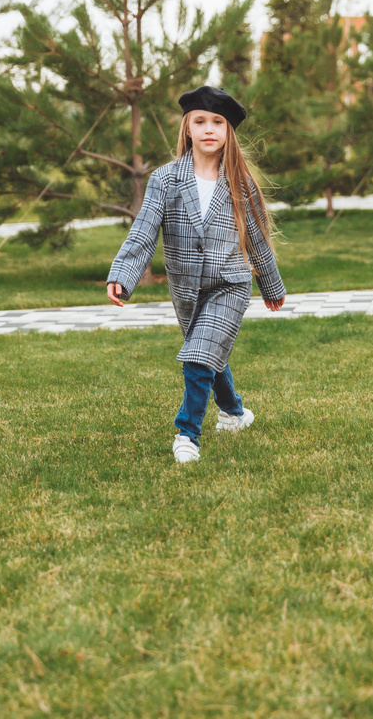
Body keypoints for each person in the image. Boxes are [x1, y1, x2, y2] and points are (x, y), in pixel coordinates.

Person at [106, 85, 286, 464]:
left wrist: (270, 284)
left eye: (217, 122)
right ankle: (235, 413)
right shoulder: (165, 179)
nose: (209, 129)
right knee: (207, 353)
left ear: (228, 132)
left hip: (230, 285)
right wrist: (123, 273)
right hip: (186, 289)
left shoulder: (240, 183)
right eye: (200, 121)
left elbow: (256, 237)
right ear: (187, 128)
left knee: (199, 354)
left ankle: (187, 433)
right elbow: (144, 229)